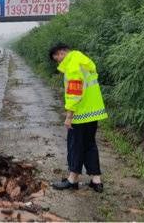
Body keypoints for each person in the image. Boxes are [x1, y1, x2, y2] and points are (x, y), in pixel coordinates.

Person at [49, 43, 108, 193]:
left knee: (75, 145)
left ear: (62, 53)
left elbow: (74, 92)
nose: (58, 62)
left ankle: (72, 179)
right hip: (93, 111)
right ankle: (96, 181)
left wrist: (69, 116)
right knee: (89, 144)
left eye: (57, 58)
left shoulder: (73, 64)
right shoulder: (82, 60)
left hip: (80, 113)